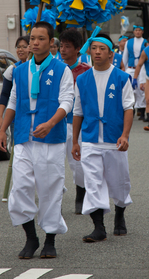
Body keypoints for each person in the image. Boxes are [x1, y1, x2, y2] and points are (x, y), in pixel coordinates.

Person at [0, 21, 74, 259]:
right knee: (19, 188)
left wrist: (51, 123)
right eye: (32, 38)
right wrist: (2, 130)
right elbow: (12, 102)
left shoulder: (62, 70)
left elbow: (67, 102)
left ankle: (50, 240)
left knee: (50, 189)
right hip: (23, 137)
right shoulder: (19, 71)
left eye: (41, 39)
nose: (35, 43)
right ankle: (31, 237)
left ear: (52, 43)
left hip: (51, 140)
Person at [72, 30, 135, 242]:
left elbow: (128, 107)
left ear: (111, 54)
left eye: (103, 49)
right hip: (90, 140)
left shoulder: (121, 78)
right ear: (89, 51)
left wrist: (125, 135)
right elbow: (77, 111)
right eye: (94, 48)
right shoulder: (82, 79)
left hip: (114, 139)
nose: (97, 52)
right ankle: (98, 227)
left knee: (119, 182)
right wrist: (75, 141)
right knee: (93, 182)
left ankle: (120, 213)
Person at [59, 28, 92, 214]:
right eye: (61, 46)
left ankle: (81, 193)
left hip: (77, 124)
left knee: (77, 163)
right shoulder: (54, 69)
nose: (63, 50)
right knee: (54, 163)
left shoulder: (86, 71)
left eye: (68, 46)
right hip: (56, 123)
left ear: (78, 49)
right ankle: (55, 200)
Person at [0, 36, 30, 130]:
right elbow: (5, 94)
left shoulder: (36, 68)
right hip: (16, 118)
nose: (20, 50)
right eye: (18, 47)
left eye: (24, 47)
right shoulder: (13, 69)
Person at [122, 25, 148, 120]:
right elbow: (125, 56)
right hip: (131, 68)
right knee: (131, 89)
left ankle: (142, 112)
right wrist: (123, 69)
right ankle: (131, 110)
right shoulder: (129, 42)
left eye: (139, 30)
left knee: (142, 90)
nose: (137, 32)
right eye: (136, 30)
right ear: (133, 32)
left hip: (142, 68)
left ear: (142, 32)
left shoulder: (145, 42)